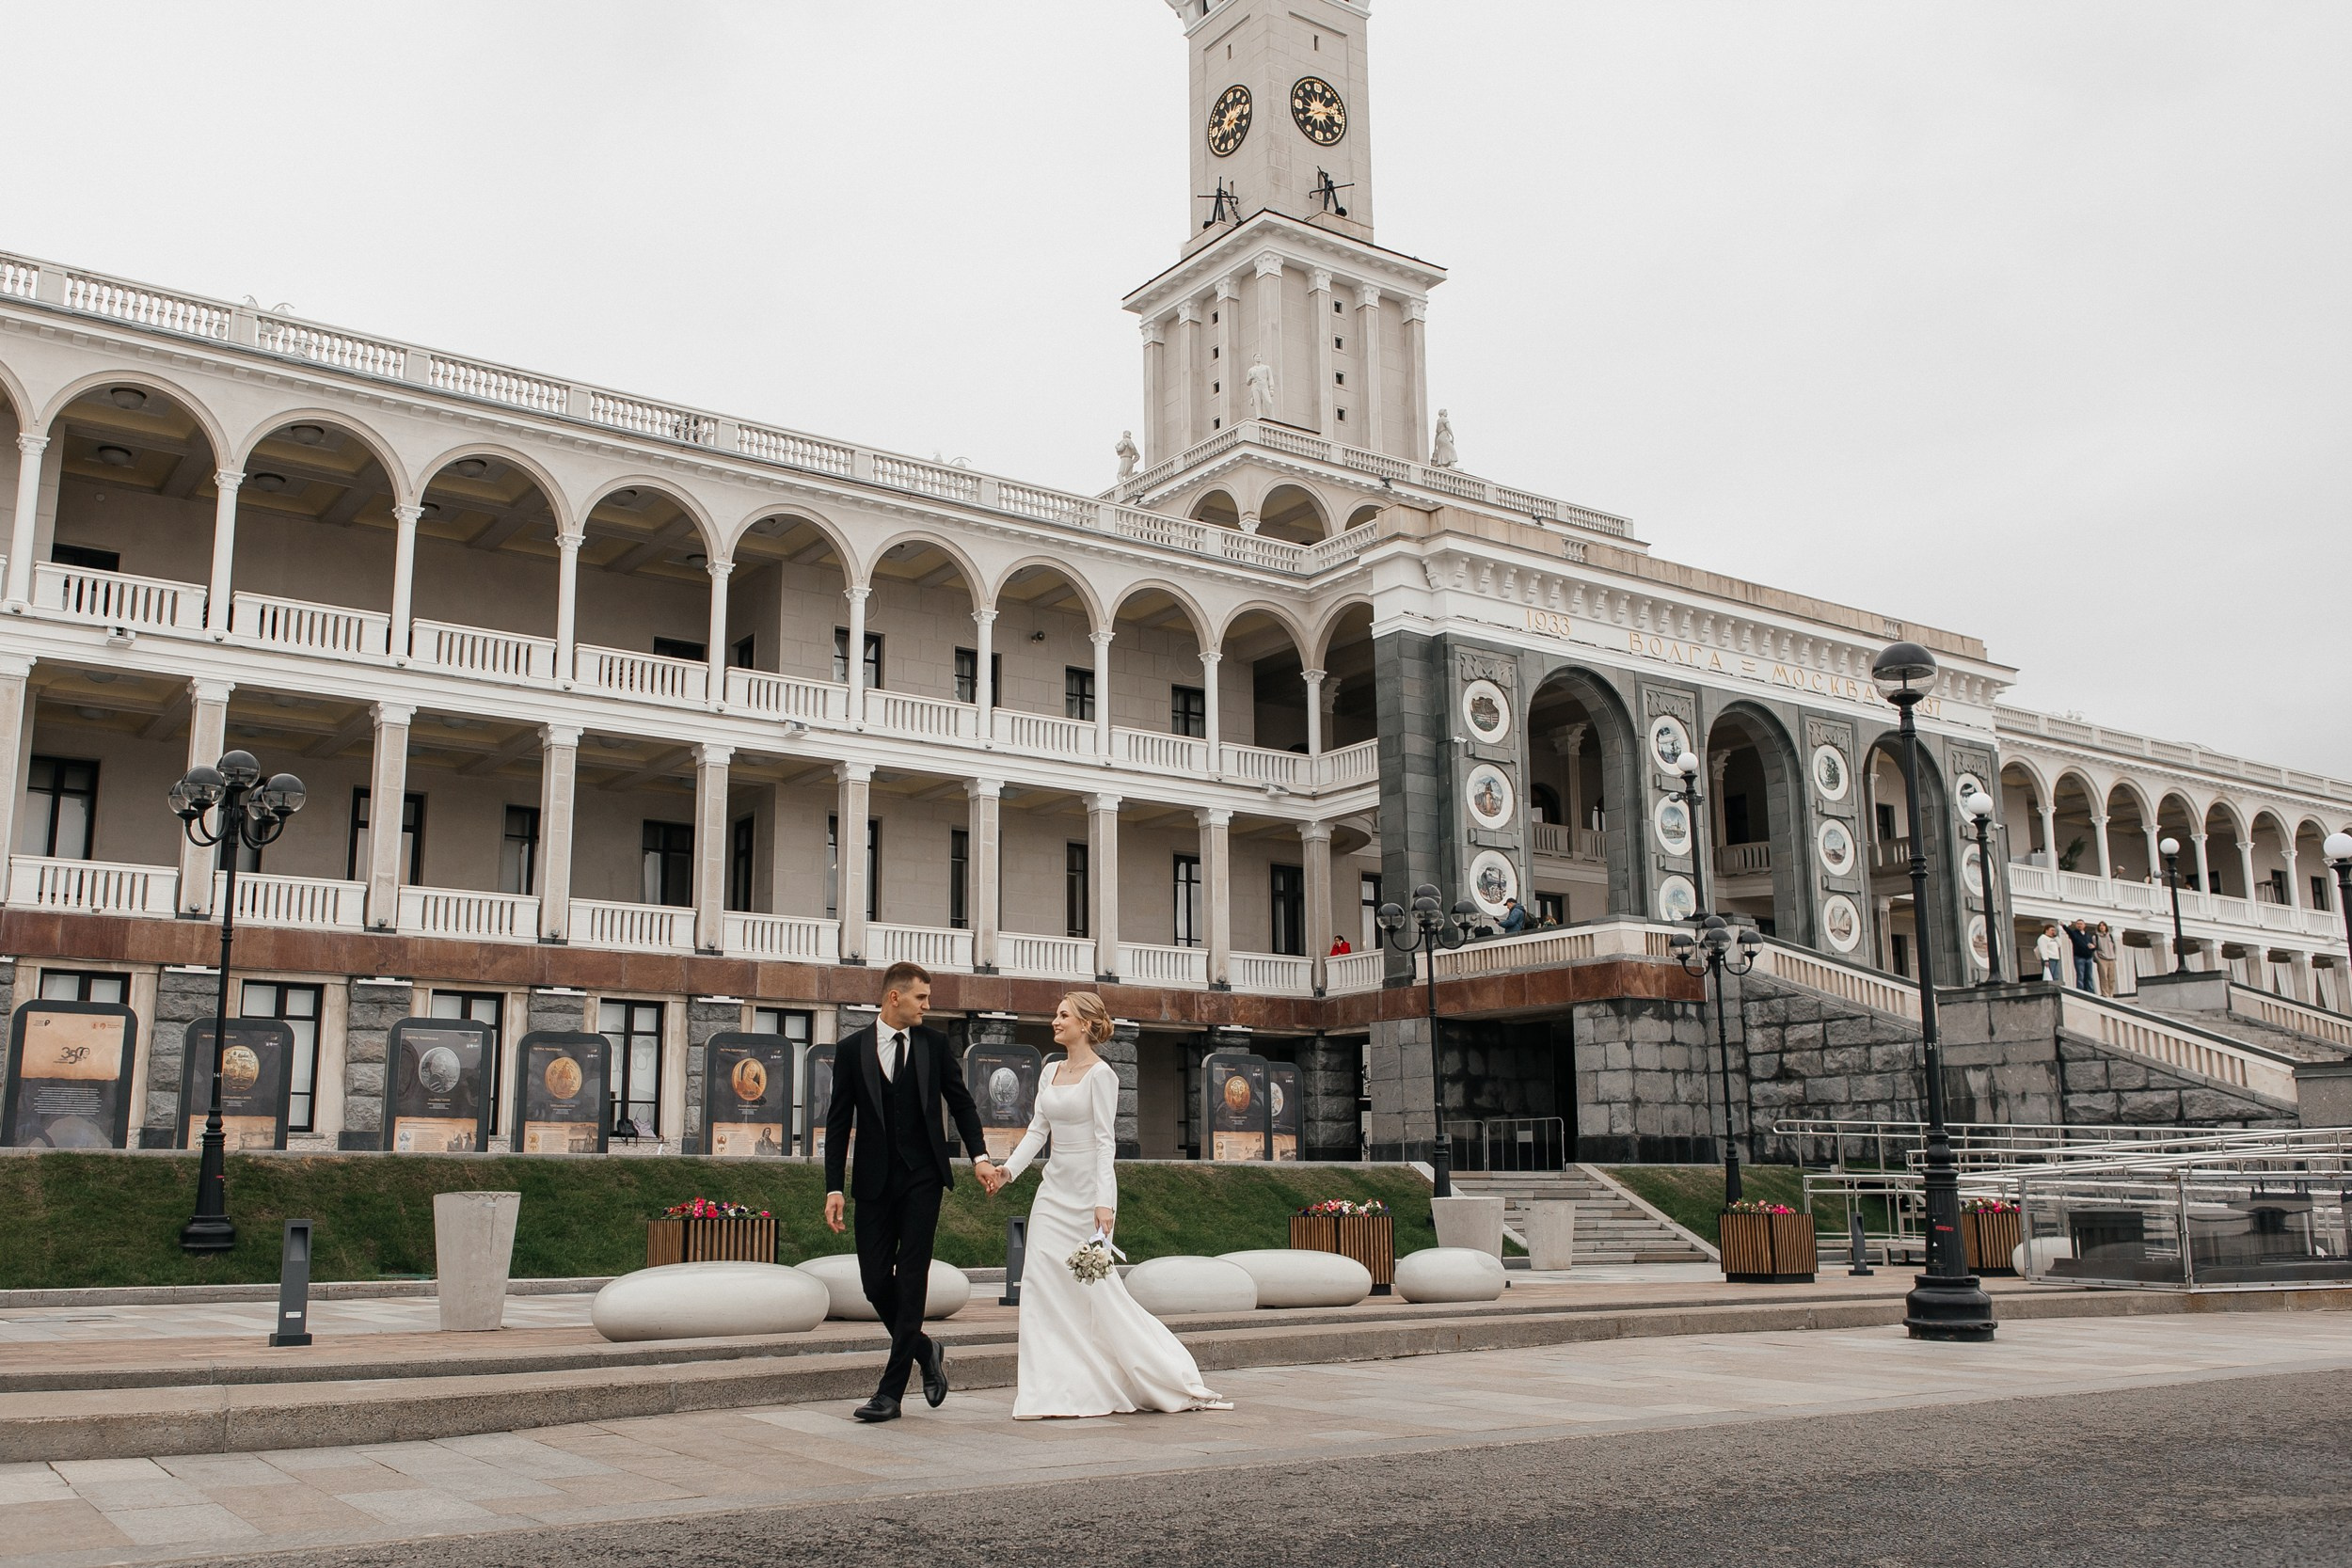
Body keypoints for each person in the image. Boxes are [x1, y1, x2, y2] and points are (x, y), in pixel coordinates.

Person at [988, 992, 1227, 1419]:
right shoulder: (1048, 1071)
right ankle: (1046, 1392)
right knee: (1041, 1288)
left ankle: (1155, 1372)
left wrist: (1104, 1205)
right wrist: (1009, 1171)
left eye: (1063, 1015)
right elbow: (1038, 1131)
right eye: (1056, 1014)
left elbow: (1104, 1143)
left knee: (1096, 1294)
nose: (1055, 1021)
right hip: (1051, 1194)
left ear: (1084, 1024)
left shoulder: (1102, 1075)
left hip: (1087, 1200)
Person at [821, 962, 999, 1423]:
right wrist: (833, 1187)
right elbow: (839, 1122)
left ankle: (890, 1393)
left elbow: (960, 1102)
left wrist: (979, 1157)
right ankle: (924, 1348)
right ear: (894, 998)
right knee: (875, 1280)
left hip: (924, 1177)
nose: (927, 1005)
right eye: (921, 997)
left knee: (913, 1276)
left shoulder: (934, 1045)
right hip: (873, 1181)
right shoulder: (851, 1050)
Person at [2066, 919, 2098, 991]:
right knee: (2080, 975)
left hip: (2088, 957)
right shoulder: (2074, 934)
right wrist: (2064, 926)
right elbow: (2069, 932)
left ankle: (2090, 991)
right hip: (2079, 957)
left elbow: (2093, 946)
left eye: (2081, 924)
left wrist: (2093, 947)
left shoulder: (2088, 935)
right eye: (2078, 924)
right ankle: (2080, 991)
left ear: (2084, 925)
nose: (2079, 925)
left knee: (2089, 975)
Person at [2093, 921, 2119, 997]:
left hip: (2111, 958)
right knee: (2103, 977)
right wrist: (2097, 958)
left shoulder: (2110, 936)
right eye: (2100, 926)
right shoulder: (2095, 937)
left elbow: (2115, 947)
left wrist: (2114, 956)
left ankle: (2111, 993)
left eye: (2103, 925)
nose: (2102, 927)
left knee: (2112, 977)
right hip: (2102, 959)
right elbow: (2094, 948)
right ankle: (2105, 993)